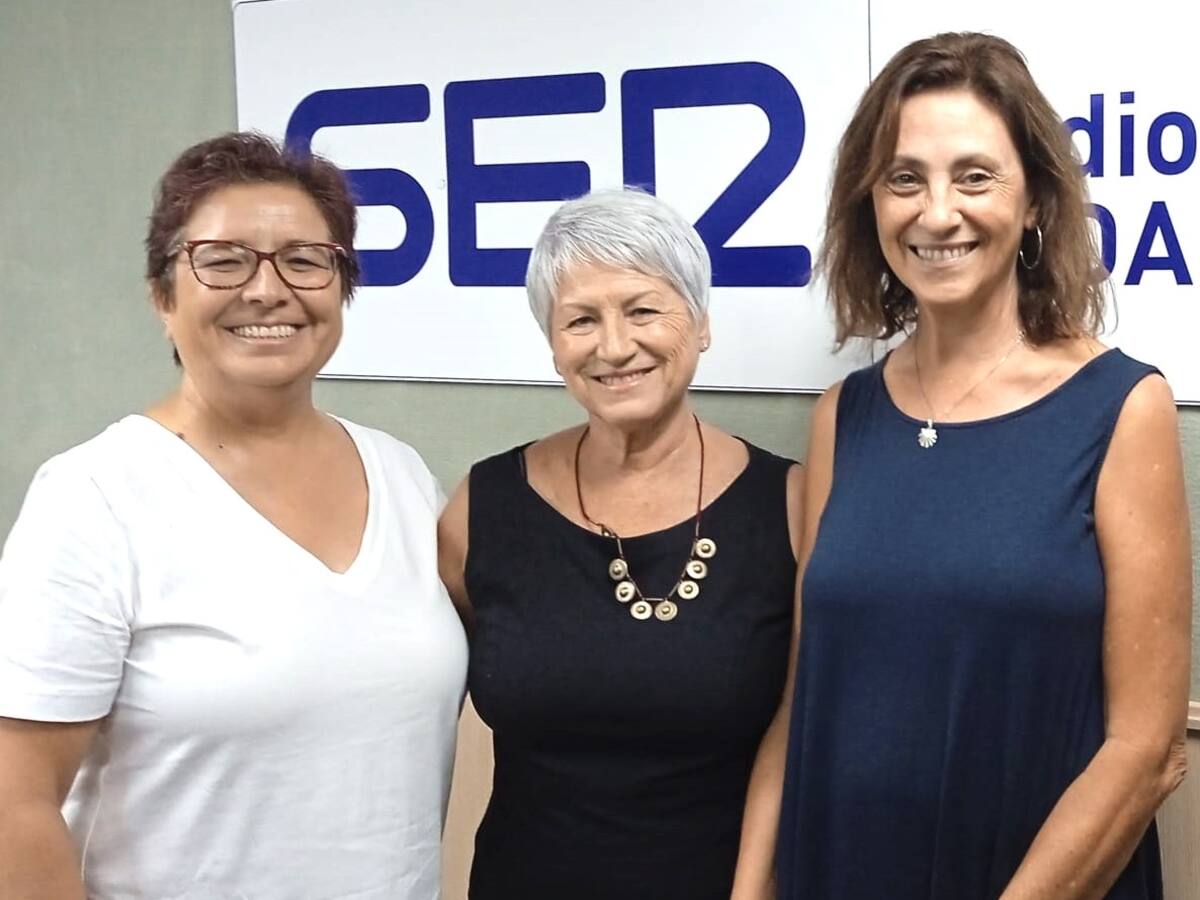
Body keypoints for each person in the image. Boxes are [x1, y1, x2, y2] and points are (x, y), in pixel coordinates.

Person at [732, 32, 1192, 900]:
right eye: (904, 179)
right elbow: (804, 697)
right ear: (870, 203)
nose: (937, 213)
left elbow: (1148, 748)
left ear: (1036, 201)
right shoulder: (844, 417)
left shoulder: (1122, 407)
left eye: (975, 177)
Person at [0, 132, 468, 899]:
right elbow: (14, 807)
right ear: (163, 297)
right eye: (223, 261)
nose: (267, 290)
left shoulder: (403, 475)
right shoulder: (96, 497)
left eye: (304, 260)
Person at [437, 188, 803, 899]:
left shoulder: (788, 504)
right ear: (554, 346)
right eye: (581, 320)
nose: (613, 346)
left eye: (642, 310)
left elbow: (801, 730)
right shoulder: (483, 506)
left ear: (701, 323)